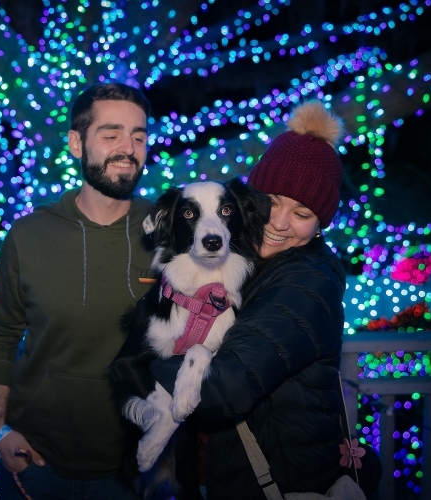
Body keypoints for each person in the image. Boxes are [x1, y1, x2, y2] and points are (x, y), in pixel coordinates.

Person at [152, 100, 381, 499]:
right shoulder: (242, 262)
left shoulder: (307, 282)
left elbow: (225, 389)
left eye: (302, 212)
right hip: (222, 477)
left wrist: (144, 360)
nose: (278, 223)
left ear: (321, 223)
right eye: (272, 201)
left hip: (275, 485)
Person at [0, 83, 155, 499]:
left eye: (139, 136)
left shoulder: (169, 232)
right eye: (111, 135)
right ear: (77, 143)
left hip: (134, 468)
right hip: (35, 462)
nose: (128, 148)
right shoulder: (28, 234)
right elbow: (2, 335)